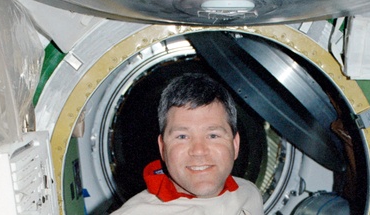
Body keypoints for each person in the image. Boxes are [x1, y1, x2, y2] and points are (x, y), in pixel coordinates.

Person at [111, 73, 264, 215]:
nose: (198, 151)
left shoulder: (249, 195)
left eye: (212, 135)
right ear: (163, 147)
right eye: (182, 136)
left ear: (235, 145)